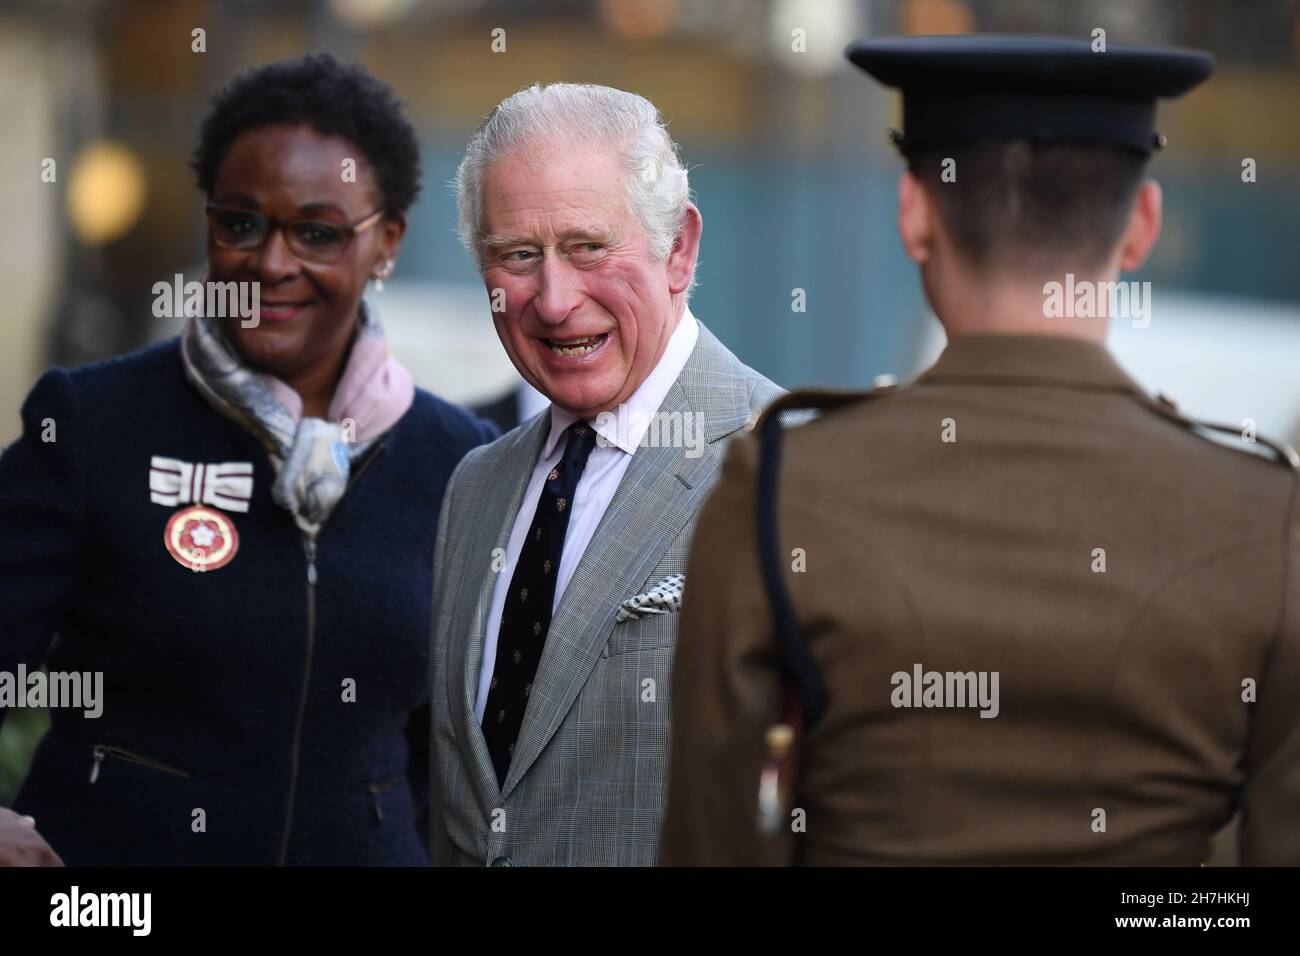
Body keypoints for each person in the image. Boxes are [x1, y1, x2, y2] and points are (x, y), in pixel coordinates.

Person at [659, 35, 1300, 865]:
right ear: (1141, 225)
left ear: (915, 214)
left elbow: (716, 841)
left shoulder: (783, 485)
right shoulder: (1265, 515)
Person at [0, 53, 496, 866]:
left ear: (386, 244)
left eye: (317, 232)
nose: (270, 263)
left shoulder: (460, 462)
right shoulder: (92, 424)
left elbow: (457, 759)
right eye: (241, 223)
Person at [428, 83, 782, 866]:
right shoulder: (475, 488)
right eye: (518, 256)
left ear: (679, 250)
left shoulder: (793, 468)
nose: (554, 301)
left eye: (588, 246)